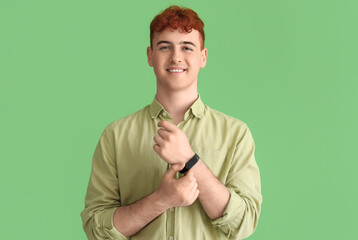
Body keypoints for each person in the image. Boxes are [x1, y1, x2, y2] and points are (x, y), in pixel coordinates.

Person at [81, 5, 262, 240]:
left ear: (203, 57)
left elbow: (244, 223)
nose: (176, 56)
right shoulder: (115, 135)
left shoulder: (236, 134)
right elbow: (96, 228)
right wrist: (161, 200)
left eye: (187, 47)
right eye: (165, 47)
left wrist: (190, 160)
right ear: (150, 55)